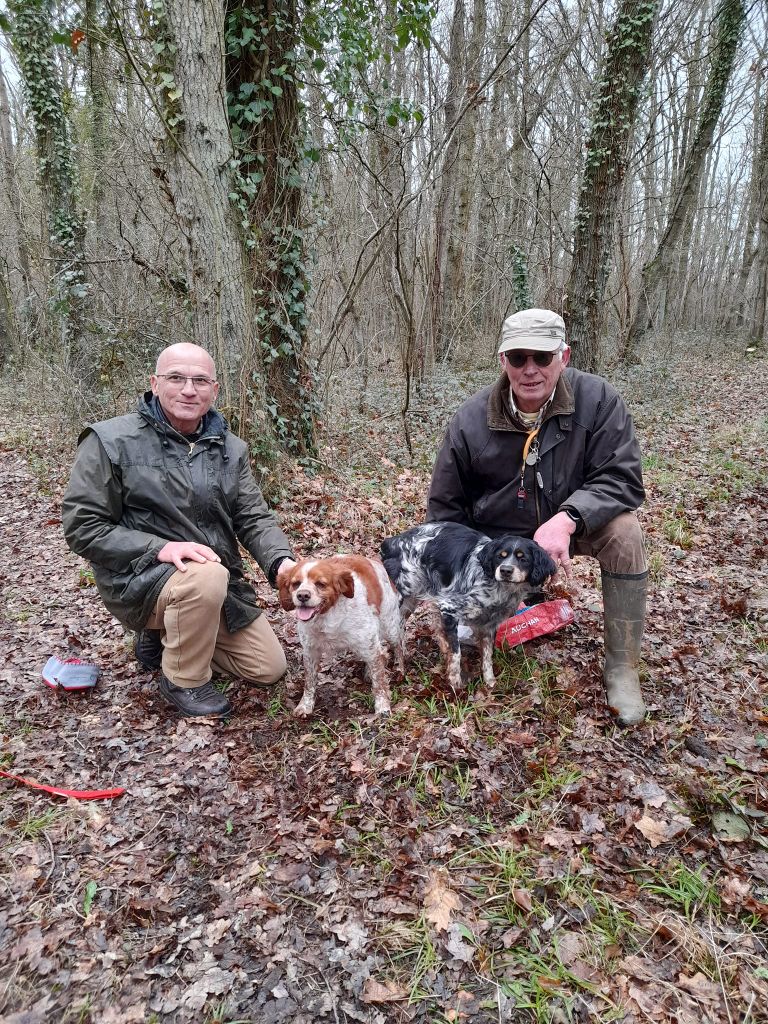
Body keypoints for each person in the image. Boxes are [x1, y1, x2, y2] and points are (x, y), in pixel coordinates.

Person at [427, 308, 648, 726]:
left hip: (570, 527)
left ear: (563, 357)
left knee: (625, 533)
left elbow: (623, 479)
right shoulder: (470, 420)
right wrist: (460, 579)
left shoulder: (599, 401)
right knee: (485, 629)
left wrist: (569, 518)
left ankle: (622, 668)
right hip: (496, 544)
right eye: (518, 358)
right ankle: (512, 605)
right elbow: (444, 511)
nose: (530, 370)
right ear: (502, 361)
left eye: (542, 358)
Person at [62, 343, 296, 719]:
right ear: (155, 384)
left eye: (200, 380)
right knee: (205, 575)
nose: (189, 389)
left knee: (268, 668)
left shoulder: (230, 450)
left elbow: (252, 516)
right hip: (139, 578)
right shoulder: (109, 441)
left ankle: (168, 634)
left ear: (215, 390)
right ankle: (183, 680)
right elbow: (83, 526)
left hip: (213, 586)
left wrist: (282, 563)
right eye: (176, 378)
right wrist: (159, 548)